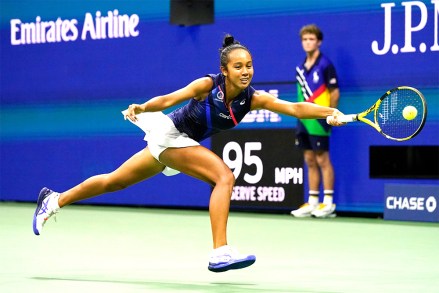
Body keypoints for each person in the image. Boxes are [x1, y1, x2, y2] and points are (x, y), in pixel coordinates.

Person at [33, 34, 344, 272]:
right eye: (238, 67)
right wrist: (142, 107)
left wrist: (329, 111)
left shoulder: (252, 98)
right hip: (170, 135)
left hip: (175, 142)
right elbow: (170, 98)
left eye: (249, 65)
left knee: (114, 181)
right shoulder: (208, 85)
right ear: (225, 70)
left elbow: (295, 107)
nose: (246, 71)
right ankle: (219, 251)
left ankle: (54, 199)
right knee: (224, 176)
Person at [290, 24, 340, 218]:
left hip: (320, 120)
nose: (308, 42)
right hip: (303, 120)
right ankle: (312, 202)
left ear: (318, 42)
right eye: (305, 39)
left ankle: (327, 203)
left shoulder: (326, 65)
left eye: (311, 39)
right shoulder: (300, 68)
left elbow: (334, 92)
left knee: (322, 159)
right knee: (309, 159)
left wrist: (329, 115)